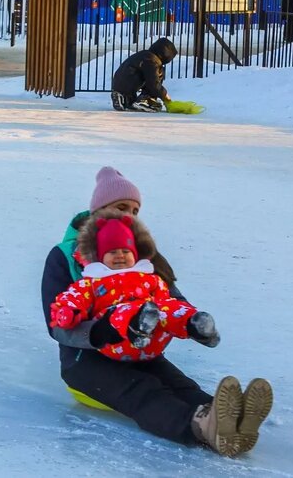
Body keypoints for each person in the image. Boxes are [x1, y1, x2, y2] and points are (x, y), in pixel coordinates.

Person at [40, 166, 273, 457]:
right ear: (99, 209)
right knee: (144, 390)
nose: (130, 216)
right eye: (122, 207)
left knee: (180, 385)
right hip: (86, 362)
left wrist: (193, 324)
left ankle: (229, 421)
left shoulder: (141, 256)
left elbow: (171, 301)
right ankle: (201, 427)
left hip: (141, 351)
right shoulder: (64, 255)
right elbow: (58, 325)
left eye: (136, 210)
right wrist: (103, 331)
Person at [51, 215, 220, 362]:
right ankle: (137, 325)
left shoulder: (150, 278)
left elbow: (164, 301)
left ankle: (195, 325)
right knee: (122, 312)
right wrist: (68, 312)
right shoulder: (93, 280)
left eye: (126, 251)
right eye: (112, 252)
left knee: (167, 307)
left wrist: (174, 312)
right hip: (117, 342)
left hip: (153, 343)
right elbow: (74, 296)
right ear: (100, 257)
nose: (120, 256)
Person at [110, 37, 177, 113]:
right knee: (159, 73)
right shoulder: (152, 61)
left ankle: (124, 97)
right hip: (128, 84)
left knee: (150, 75)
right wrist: (166, 98)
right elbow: (153, 83)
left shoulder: (144, 55)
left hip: (120, 86)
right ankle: (145, 100)